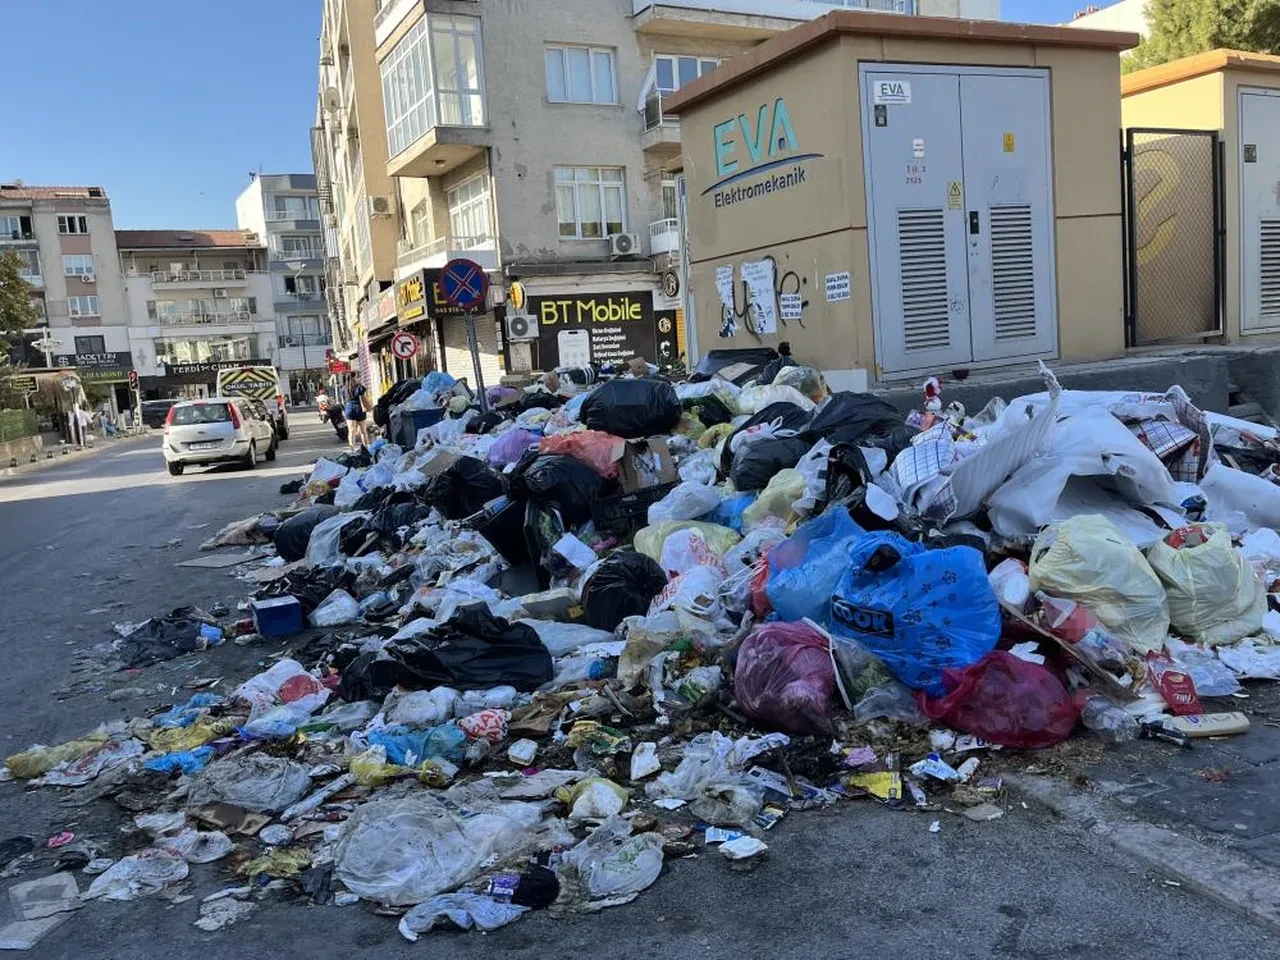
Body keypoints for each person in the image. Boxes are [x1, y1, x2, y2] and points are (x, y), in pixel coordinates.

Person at [343, 374, 370, 450]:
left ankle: (352, 449)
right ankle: (367, 448)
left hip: (349, 409)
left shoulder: (344, 388)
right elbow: (365, 398)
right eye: (358, 377)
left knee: (351, 431)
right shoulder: (360, 387)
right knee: (363, 431)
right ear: (355, 377)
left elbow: (344, 400)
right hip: (359, 409)